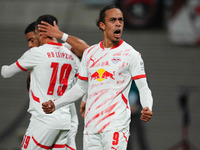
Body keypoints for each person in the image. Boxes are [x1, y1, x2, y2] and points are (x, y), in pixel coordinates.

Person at [42, 4, 153, 150]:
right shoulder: (90, 53)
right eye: (113, 20)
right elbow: (81, 87)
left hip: (116, 126)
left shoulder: (131, 54)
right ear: (102, 25)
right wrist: (56, 104)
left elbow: (143, 86)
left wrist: (147, 106)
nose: (118, 23)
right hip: (91, 127)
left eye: (120, 20)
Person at [1, 14, 87, 150]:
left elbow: (6, 73)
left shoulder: (36, 53)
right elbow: (88, 52)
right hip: (65, 120)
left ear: (39, 32)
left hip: (44, 120)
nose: (31, 44)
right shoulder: (71, 53)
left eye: (33, 37)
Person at [24, 21, 86, 150]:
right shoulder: (39, 58)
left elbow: (89, 51)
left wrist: (61, 35)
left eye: (32, 40)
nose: (30, 45)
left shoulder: (66, 48)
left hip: (59, 115)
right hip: (57, 117)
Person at [127, 82, 150, 150]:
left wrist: (138, 107)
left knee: (141, 137)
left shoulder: (139, 81)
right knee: (126, 138)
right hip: (126, 115)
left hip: (137, 114)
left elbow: (145, 95)